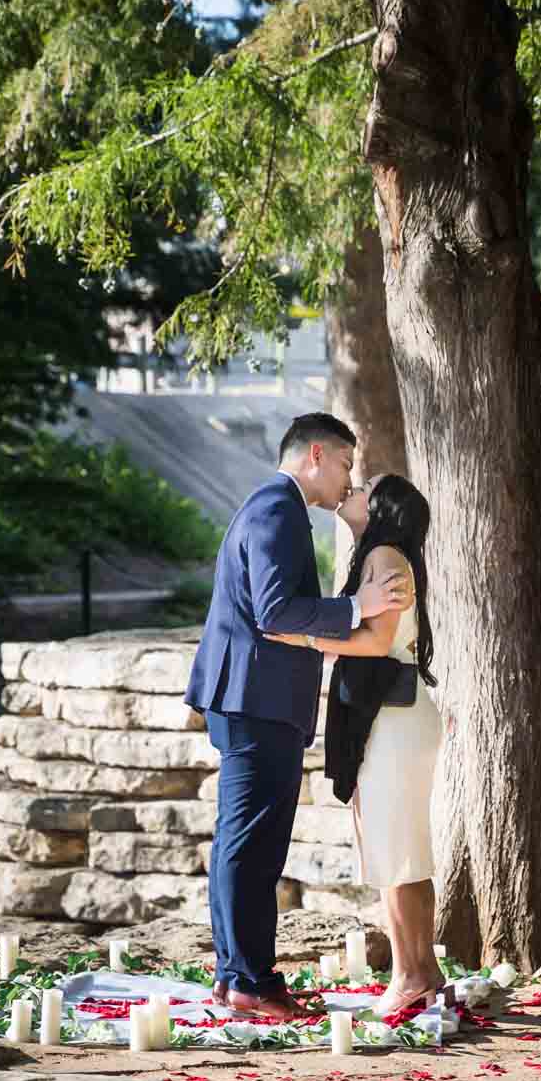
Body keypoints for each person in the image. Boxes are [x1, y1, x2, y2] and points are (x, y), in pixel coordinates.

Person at [184, 413, 412, 1019]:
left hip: (252, 699)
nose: (347, 479)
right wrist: (355, 607)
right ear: (315, 454)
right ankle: (251, 985)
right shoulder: (276, 509)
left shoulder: (274, 507)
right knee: (252, 846)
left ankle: (237, 976)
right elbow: (276, 611)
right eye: (343, 464)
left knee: (246, 843)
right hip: (254, 701)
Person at [268, 473, 445, 1017]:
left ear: (382, 508)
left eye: (365, 485)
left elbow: (377, 641)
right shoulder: (379, 556)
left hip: (391, 720)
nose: (353, 488)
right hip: (388, 718)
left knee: (397, 852)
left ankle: (411, 976)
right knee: (397, 850)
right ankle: (422, 973)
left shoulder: (386, 557)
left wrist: (301, 637)